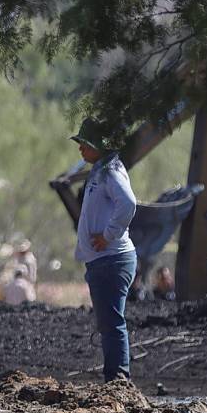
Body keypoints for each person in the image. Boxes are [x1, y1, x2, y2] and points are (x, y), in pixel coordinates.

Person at [71, 118, 138, 383]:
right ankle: (116, 377)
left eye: (85, 144)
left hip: (112, 260)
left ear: (98, 146)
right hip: (103, 261)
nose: (80, 149)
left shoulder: (110, 170)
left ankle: (118, 379)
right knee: (109, 323)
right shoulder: (101, 169)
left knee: (111, 323)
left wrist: (109, 235)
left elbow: (128, 203)